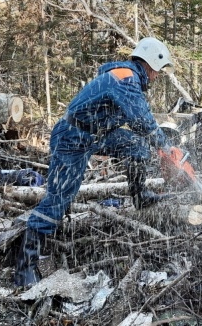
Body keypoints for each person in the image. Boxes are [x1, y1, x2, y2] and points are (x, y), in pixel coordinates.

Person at [14, 37, 175, 287]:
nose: (156, 78)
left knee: (138, 147)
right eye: (158, 72)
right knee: (58, 201)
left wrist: (160, 146)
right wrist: (165, 147)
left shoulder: (127, 78)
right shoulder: (125, 78)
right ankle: (25, 267)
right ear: (152, 63)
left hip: (95, 135)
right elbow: (142, 120)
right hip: (72, 136)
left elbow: (140, 122)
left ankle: (140, 194)